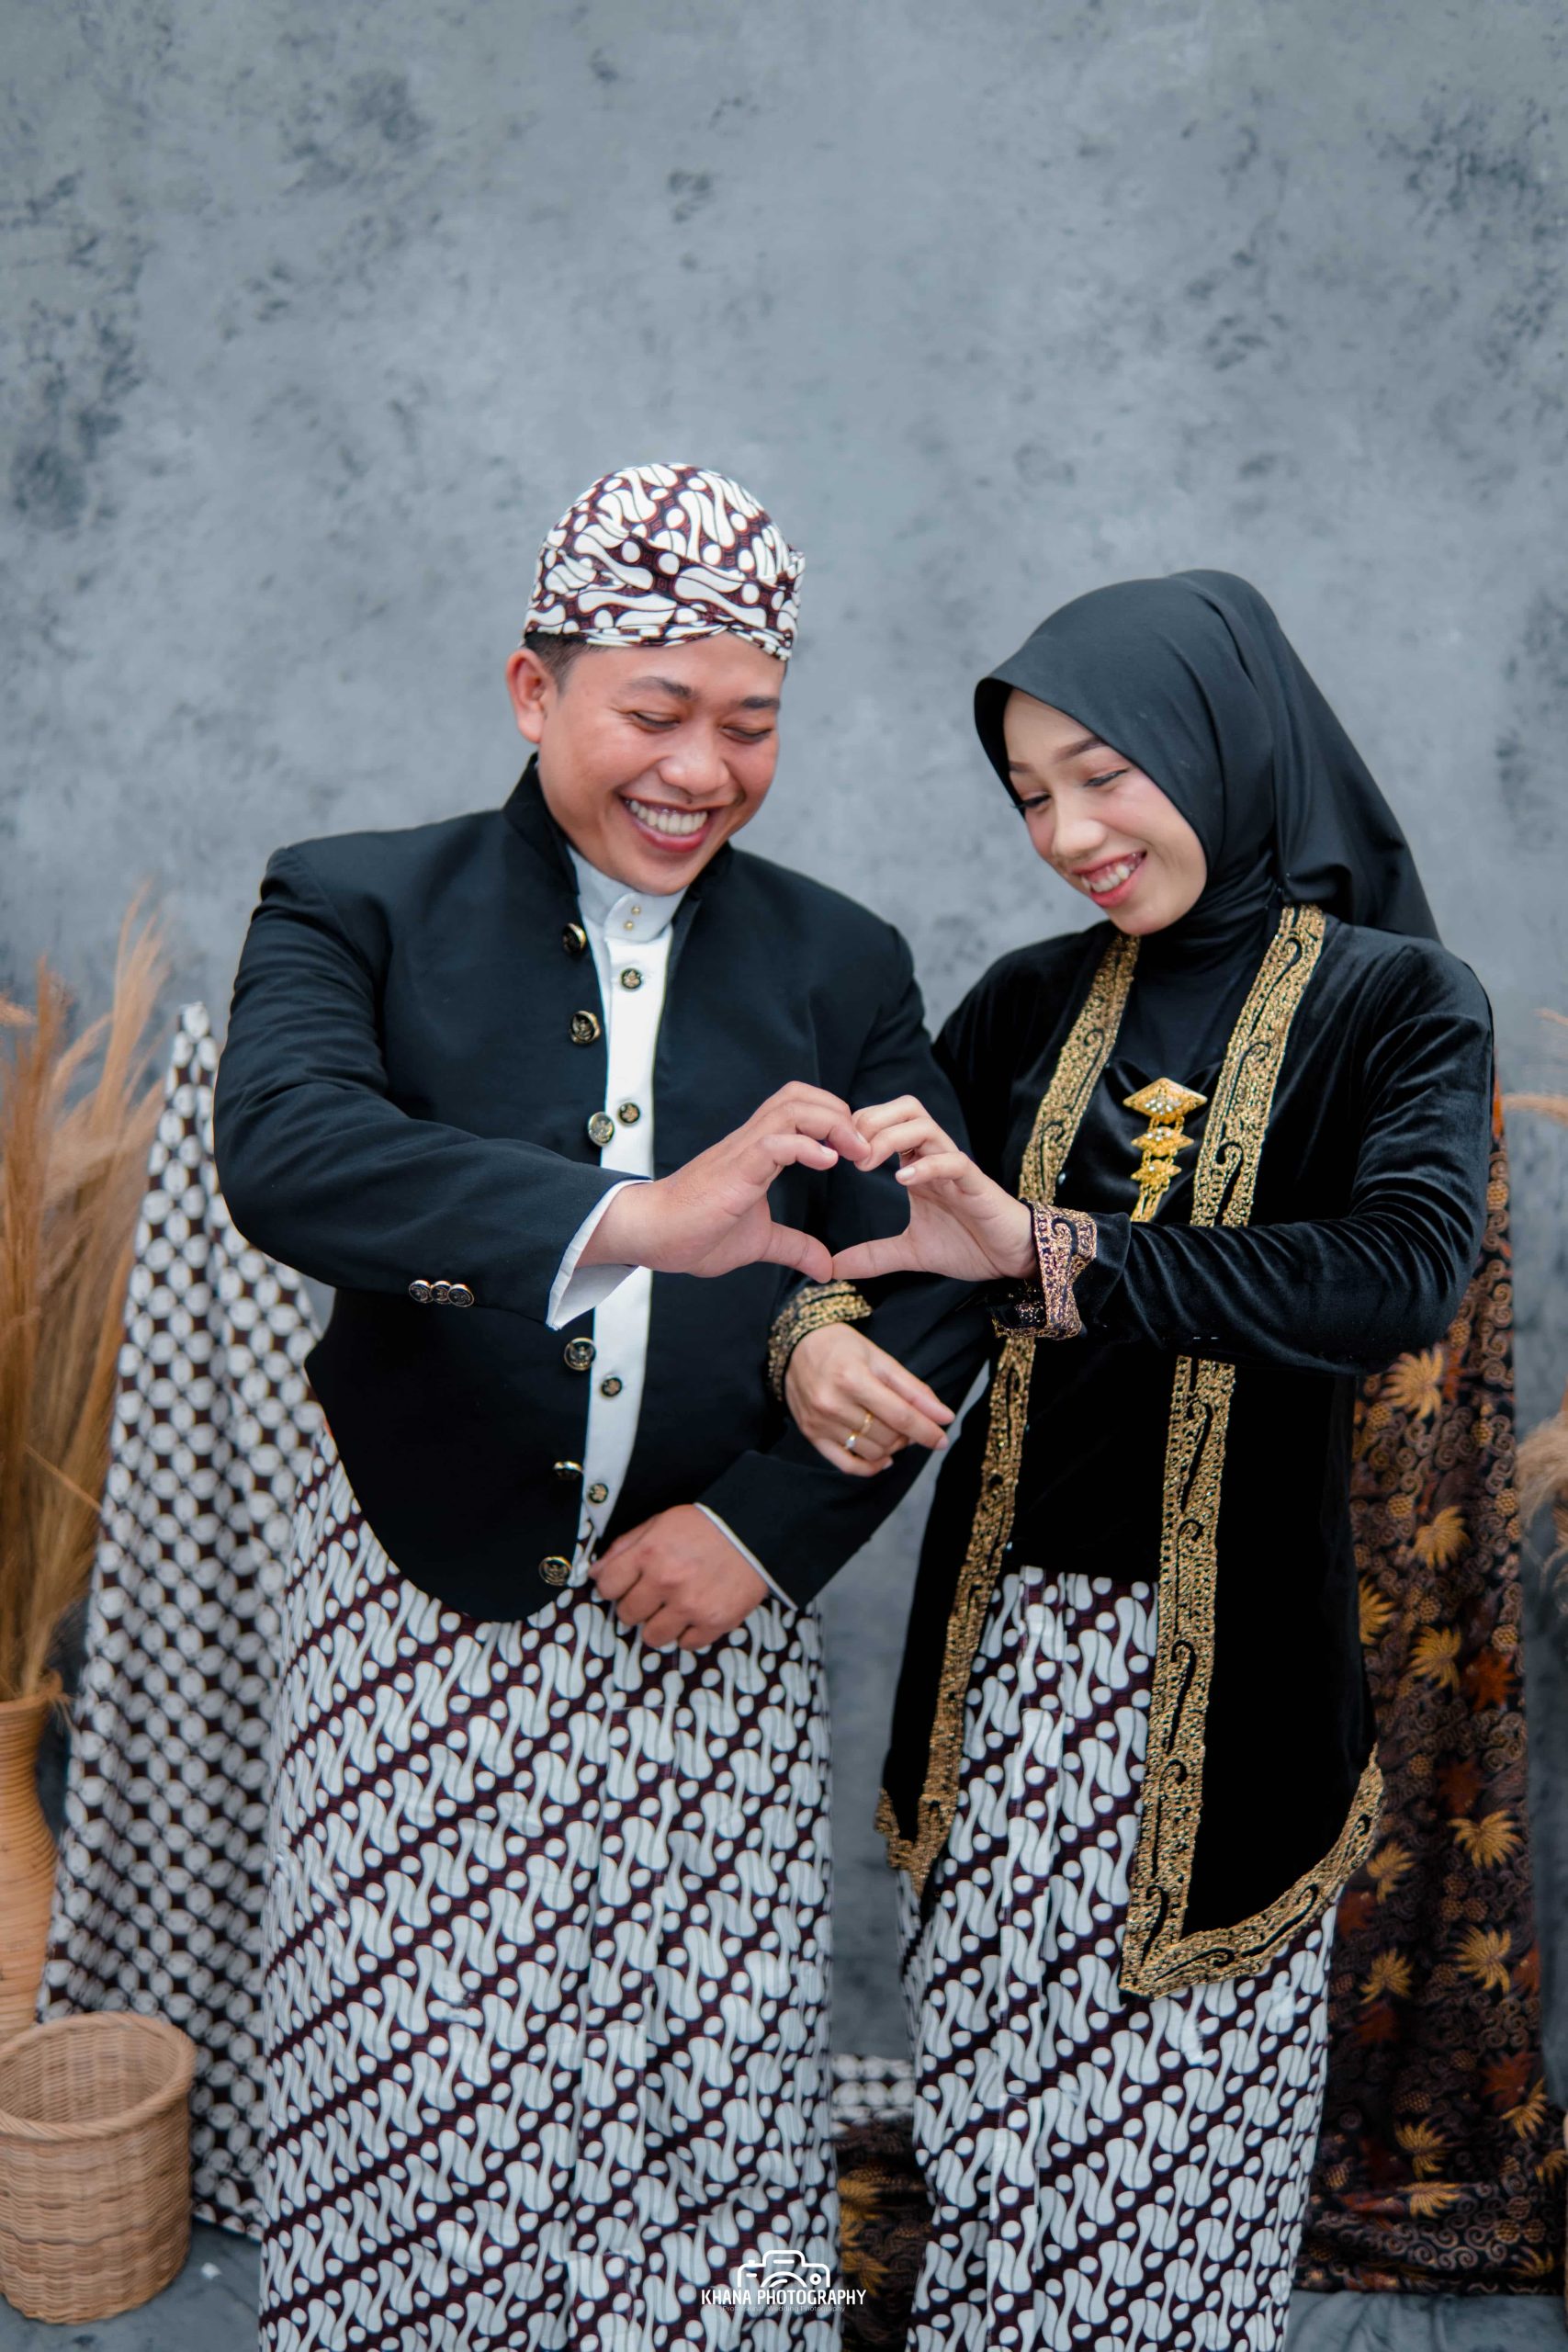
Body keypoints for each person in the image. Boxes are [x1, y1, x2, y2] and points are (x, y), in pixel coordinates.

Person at [212, 462, 978, 2352]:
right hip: (417, 1598)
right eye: (655, 710)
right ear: (532, 690)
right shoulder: (350, 900)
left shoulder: (843, 959)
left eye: (750, 723)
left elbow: (936, 1268)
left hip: (709, 1613)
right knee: (413, 2097)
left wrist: (762, 1528)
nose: (700, 770)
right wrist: (636, 1218)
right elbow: (291, 1153)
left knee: (709, 2091)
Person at [781, 572, 1495, 2348]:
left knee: (1178, 2175)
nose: (1068, 836)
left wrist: (1060, 1255)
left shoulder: (1397, 1003)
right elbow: (890, 1265)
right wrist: (815, 1336)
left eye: (1104, 774)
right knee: (991, 2133)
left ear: (1222, 740)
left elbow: (1397, 1273)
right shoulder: (1025, 1004)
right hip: (1001, 1667)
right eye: (1031, 796)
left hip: (1233, 1689)